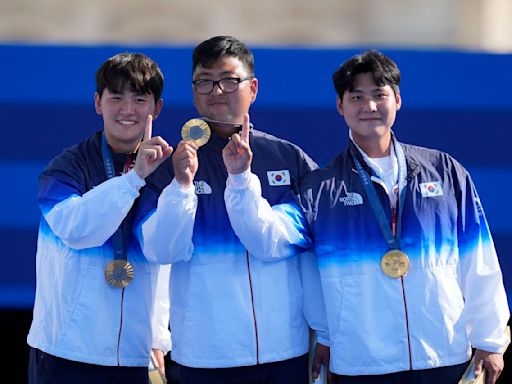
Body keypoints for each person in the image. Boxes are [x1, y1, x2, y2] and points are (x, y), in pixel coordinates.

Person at [224, 49, 511, 384]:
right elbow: (266, 241)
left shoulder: (445, 172)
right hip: (363, 362)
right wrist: (241, 178)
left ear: (398, 100)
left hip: (443, 354)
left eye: (379, 95)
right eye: (357, 96)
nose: (369, 106)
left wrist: (490, 340)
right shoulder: (320, 189)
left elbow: (479, 260)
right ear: (340, 106)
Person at [135, 35, 330, 384]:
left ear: (252, 88)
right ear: (194, 91)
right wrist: (181, 187)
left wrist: (326, 332)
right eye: (205, 82)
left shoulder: (289, 159)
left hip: (283, 351)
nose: (217, 91)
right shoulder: (170, 166)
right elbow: (159, 251)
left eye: (229, 80)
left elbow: (304, 253)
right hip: (204, 355)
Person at [27, 52, 174, 384]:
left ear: (157, 108)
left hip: (136, 356)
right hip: (66, 351)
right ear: (98, 103)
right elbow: (76, 230)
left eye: (140, 98)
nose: (127, 109)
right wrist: (134, 179)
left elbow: (163, 261)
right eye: (116, 97)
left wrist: (157, 338)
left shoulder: (165, 172)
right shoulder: (66, 168)